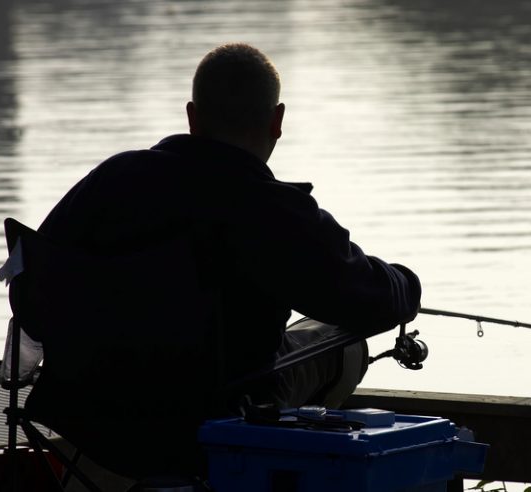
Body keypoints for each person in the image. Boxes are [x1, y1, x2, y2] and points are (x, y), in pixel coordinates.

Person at [24, 43, 421, 483]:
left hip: (93, 427)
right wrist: (407, 283)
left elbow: (29, 286)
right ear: (277, 121)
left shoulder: (111, 179)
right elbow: (371, 300)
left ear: (192, 117)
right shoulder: (271, 210)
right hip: (212, 425)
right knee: (344, 345)